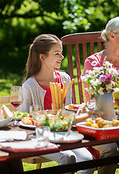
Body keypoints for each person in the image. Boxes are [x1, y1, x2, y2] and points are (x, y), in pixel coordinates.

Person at [19, 34, 95, 174]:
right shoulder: (29, 85)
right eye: (57, 54)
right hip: (39, 137)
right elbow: (24, 120)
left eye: (61, 53)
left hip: (64, 134)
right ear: (42, 57)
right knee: (68, 158)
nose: (62, 57)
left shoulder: (65, 78)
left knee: (89, 161)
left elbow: (69, 112)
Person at [82, 16, 119, 174]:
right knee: (114, 150)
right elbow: (92, 98)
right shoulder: (93, 63)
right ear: (112, 35)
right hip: (100, 121)